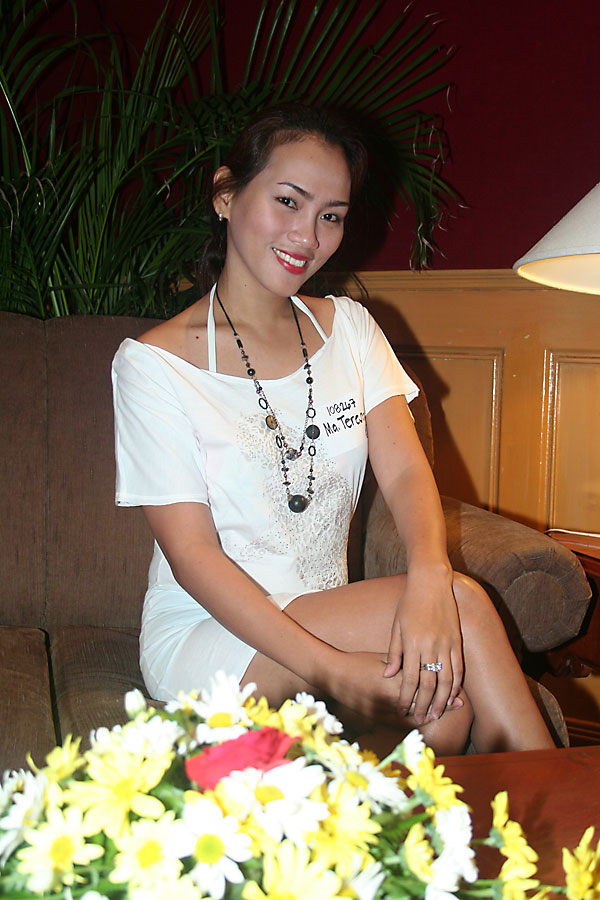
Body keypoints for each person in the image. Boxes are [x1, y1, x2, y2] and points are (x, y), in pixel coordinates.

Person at [112, 104, 554, 756]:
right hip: (209, 629)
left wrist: (428, 575)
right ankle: (568, 808)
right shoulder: (153, 365)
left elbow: (405, 470)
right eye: (288, 201)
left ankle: (490, 815)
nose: (307, 235)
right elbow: (193, 557)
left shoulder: (350, 329)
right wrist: (330, 668)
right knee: (461, 615)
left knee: (445, 712)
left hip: (333, 610)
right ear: (226, 194)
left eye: (331, 215)